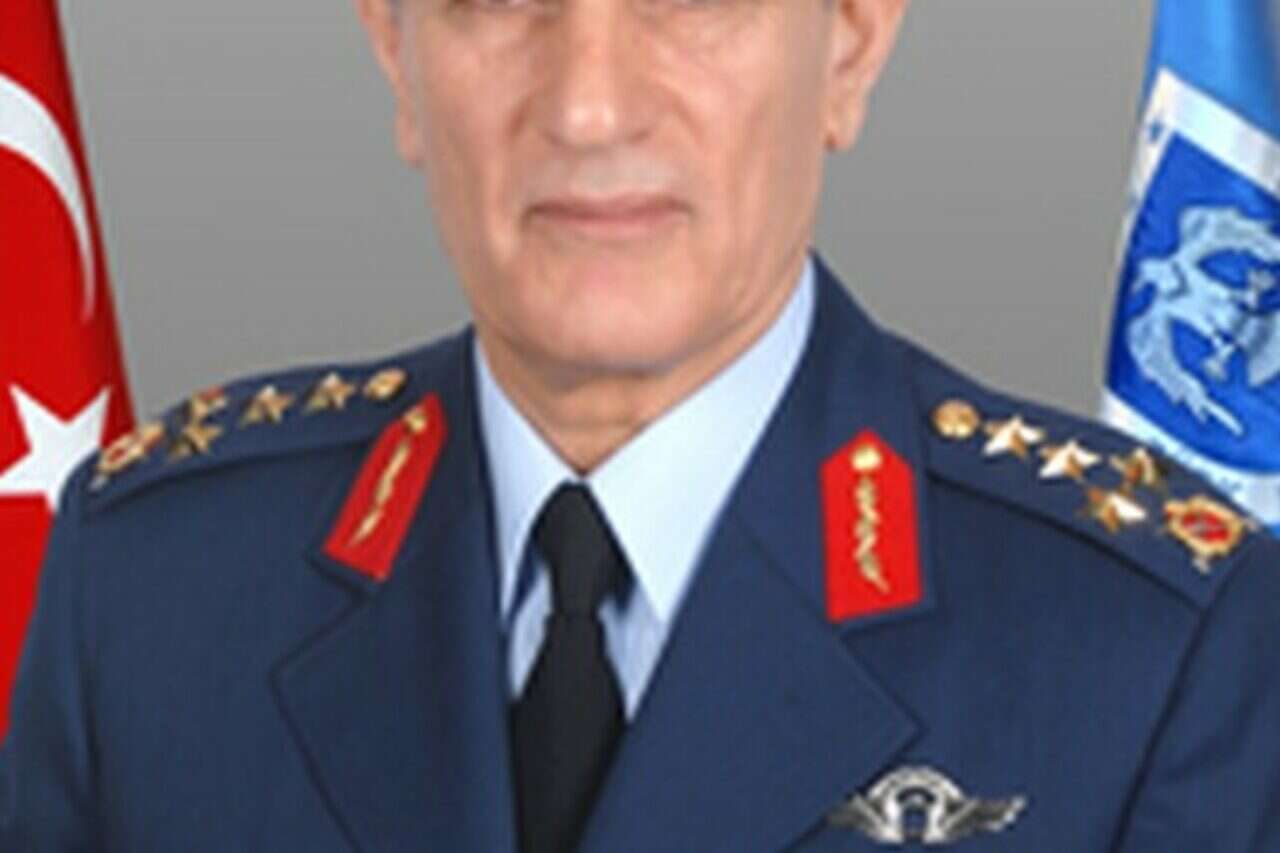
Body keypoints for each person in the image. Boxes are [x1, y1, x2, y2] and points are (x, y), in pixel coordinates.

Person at [4, 0, 1280, 849]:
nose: (589, 106)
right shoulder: (155, 591)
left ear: (848, 41)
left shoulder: (1143, 653)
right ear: (394, 47)